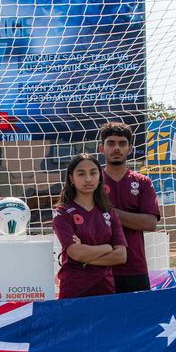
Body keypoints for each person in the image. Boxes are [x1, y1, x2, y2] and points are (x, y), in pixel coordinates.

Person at [52, 153, 127, 299]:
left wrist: (86, 257)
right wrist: (107, 247)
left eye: (93, 173)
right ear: (71, 178)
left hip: (106, 288)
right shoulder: (62, 212)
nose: (88, 179)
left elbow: (121, 256)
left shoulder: (109, 212)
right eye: (81, 174)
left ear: (99, 177)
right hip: (75, 289)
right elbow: (76, 253)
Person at [99, 122, 161, 292]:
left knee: (140, 318)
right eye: (111, 143)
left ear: (130, 149)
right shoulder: (92, 183)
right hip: (99, 268)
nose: (116, 148)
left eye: (122, 144)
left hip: (134, 267)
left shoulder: (142, 182)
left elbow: (150, 223)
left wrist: (109, 212)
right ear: (102, 149)